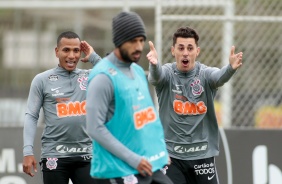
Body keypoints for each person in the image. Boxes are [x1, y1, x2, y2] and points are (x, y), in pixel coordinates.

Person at [146, 26, 243, 184]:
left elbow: (218, 78)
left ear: (197, 51)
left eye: (190, 48)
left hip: (202, 156)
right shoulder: (167, 74)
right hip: (171, 157)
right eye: (181, 48)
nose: (185, 53)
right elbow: (155, 78)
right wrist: (154, 65)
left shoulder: (205, 74)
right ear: (173, 51)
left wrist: (230, 69)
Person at [86, 11, 173, 184]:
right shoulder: (103, 77)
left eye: (141, 40)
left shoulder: (138, 71)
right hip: (120, 169)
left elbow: (147, 117)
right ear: (119, 42)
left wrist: (160, 150)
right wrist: (134, 159)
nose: (139, 47)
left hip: (147, 164)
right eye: (133, 41)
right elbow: (94, 128)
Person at [22, 31, 102, 184]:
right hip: (54, 155)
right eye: (66, 50)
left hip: (87, 155)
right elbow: (32, 116)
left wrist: (93, 56)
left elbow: (114, 75)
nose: (71, 56)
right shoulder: (42, 80)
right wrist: (27, 151)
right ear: (57, 52)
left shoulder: (90, 76)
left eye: (76, 50)